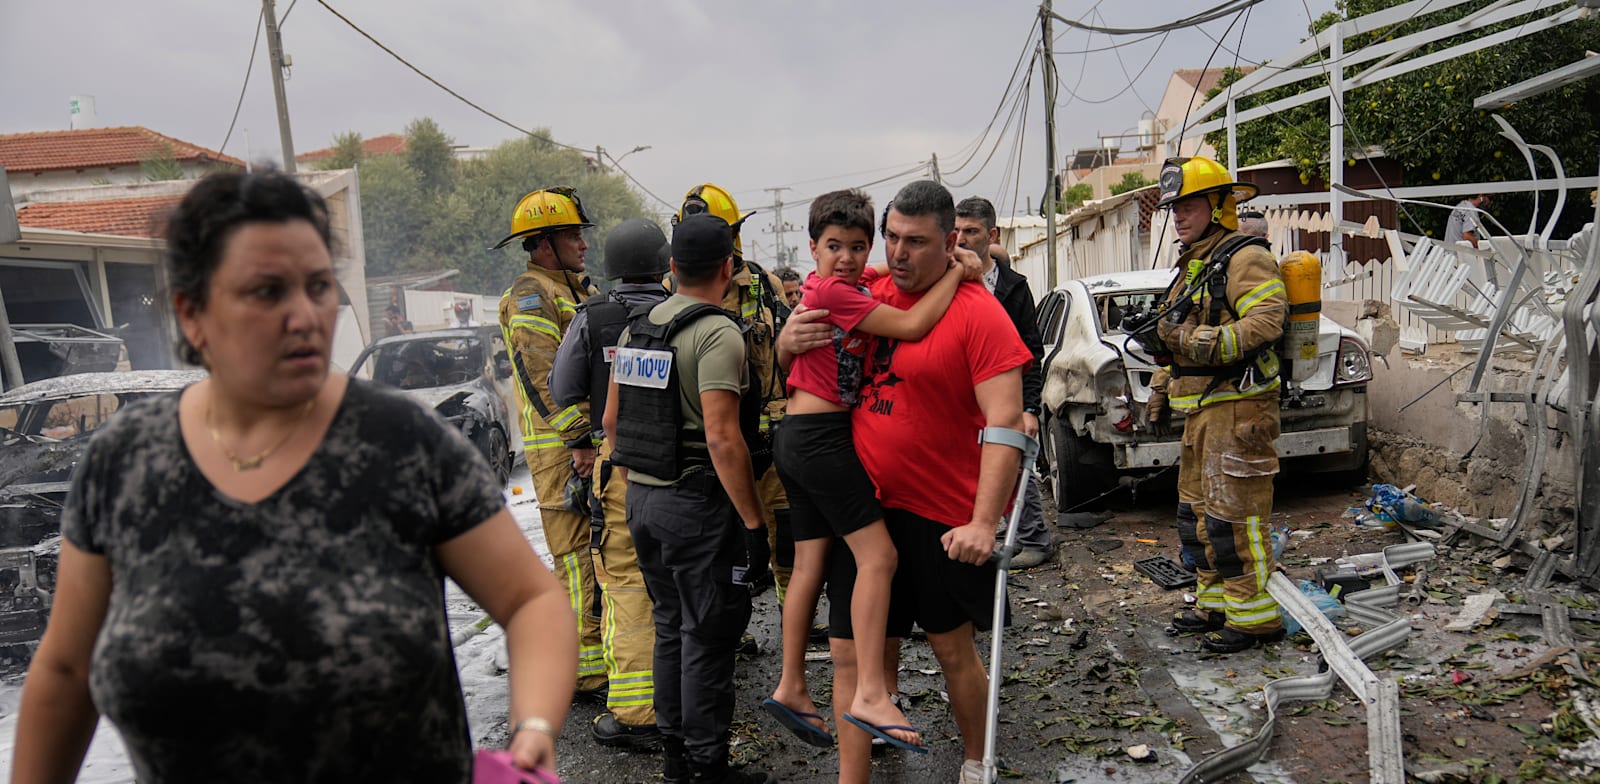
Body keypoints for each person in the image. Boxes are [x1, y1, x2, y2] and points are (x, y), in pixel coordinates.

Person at [11, 170, 577, 783]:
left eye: (317, 287)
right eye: (267, 291)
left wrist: (535, 729)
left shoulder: (403, 446)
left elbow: (530, 600)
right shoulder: (123, 464)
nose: (304, 315)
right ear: (191, 313)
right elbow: (66, 672)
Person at [781, 180, 1033, 784]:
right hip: (866, 503)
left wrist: (981, 521)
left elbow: (1004, 424)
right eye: (890, 238)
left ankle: (976, 761)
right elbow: (809, 352)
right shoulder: (871, 289)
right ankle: (865, 757)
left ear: (950, 243)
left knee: (951, 651)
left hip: (943, 517)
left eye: (915, 242)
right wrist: (786, 346)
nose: (896, 253)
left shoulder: (980, 313)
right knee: (855, 651)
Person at [765, 188, 975, 754]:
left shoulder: (832, 282)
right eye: (835, 247)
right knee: (878, 557)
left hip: (795, 436)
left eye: (860, 247)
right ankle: (873, 693)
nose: (850, 258)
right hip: (824, 440)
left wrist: (872, 262)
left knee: (809, 561)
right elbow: (912, 327)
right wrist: (955, 272)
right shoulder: (838, 290)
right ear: (812, 247)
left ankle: (790, 685)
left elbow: (871, 270)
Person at [603, 213, 775, 784]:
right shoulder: (718, 333)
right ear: (728, 268)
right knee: (708, 634)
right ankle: (707, 766)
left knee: (671, 627)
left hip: (643, 504)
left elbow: (612, 423)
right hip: (698, 507)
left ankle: (677, 757)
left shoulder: (636, 330)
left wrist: (640, 491)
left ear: (673, 269)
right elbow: (725, 439)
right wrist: (753, 525)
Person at [1149, 156, 1288, 654]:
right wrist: (1162, 383)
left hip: (1241, 409)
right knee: (1197, 518)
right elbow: (1173, 334)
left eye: (1188, 205)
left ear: (1218, 205)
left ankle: (1255, 621)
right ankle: (1216, 606)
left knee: (1233, 522)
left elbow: (1266, 323)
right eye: (1174, 208)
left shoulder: (1244, 257)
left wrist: (1195, 341)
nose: (1178, 216)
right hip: (1202, 410)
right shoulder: (1196, 263)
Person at [548, 218, 672, 749]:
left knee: (625, 583)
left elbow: (561, 386)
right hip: (686, 469)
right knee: (682, 582)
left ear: (613, 268)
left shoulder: (592, 317)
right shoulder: (686, 313)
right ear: (664, 263)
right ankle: (686, 701)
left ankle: (639, 713)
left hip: (619, 466)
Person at [493, 188, 609, 700]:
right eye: (572, 235)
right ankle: (583, 671)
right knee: (576, 558)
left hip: (583, 446)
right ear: (544, 244)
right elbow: (539, 373)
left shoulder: (573, 288)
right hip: (561, 451)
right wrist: (578, 439)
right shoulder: (532, 293)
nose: (583, 243)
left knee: (599, 553)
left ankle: (599, 657)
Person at [672, 184, 794, 617]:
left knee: (784, 527)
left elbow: (782, 358)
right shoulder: (676, 291)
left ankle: (793, 608)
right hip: (710, 440)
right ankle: (731, 625)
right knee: (722, 535)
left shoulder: (763, 284)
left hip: (768, 432)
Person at [954, 196, 1050, 568]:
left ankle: (1033, 539)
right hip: (962, 398)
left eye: (971, 231)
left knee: (1013, 462)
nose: (961, 239)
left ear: (991, 234)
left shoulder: (1013, 288)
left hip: (1002, 394)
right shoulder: (947, 281)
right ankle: (978, 534)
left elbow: (1031, 352)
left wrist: (1029, 408)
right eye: (957, 231)